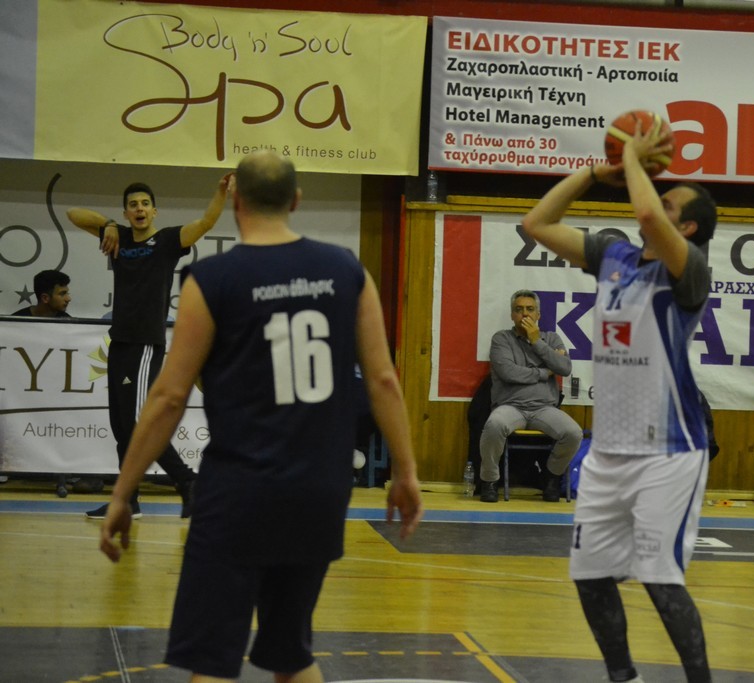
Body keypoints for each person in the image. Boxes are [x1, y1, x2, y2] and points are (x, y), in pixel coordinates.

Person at [99, 150, 423, 682]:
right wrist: (406, 472)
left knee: (212, 659)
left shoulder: (212, 278)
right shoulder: (347, 269)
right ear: (296, 200)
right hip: (319, 488)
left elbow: (169, 397)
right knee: (292, 655)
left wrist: (122, 493)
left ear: (237, 204)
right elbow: (384, 379)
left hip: (239, 489)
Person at [522, 123, 714, 682]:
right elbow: (537, 224)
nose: (654, 198)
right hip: (609, 451)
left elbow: (649, 214)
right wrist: (592, 172)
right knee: (589, 575)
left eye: (670, 200)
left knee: (659, 579)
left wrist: (631, 155)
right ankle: (622, 678)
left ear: (688, 226)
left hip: (669, 451)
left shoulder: (690, 270)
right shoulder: (614, 255)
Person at [68, 175, 231, 518]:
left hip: (145, 343)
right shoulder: (119, 237)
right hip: (119, 341)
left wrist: (219, 192)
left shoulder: (168, 241)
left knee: (139, 423)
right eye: (133, 205)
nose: (139, 209)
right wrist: (108, 225)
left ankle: (187, 481)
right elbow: (73, 214)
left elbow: (206, 222)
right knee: (121, 427)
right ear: (126, 213)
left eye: (145, 204)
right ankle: (127, 500)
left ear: (154, 211)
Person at [478, 289, 583, 503]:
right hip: (510, 406)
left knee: (573, 433)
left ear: (538, 315)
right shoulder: (502, 339)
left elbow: (564, 368)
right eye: (519, 310)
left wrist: (537, 342)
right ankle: (489, 480)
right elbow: (508, 373)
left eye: (530, 309)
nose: (524, 314)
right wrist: (546, 371)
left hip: (544, 408)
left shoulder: (551, 338)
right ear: (512, 315)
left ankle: (551, 477)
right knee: (494, 425)